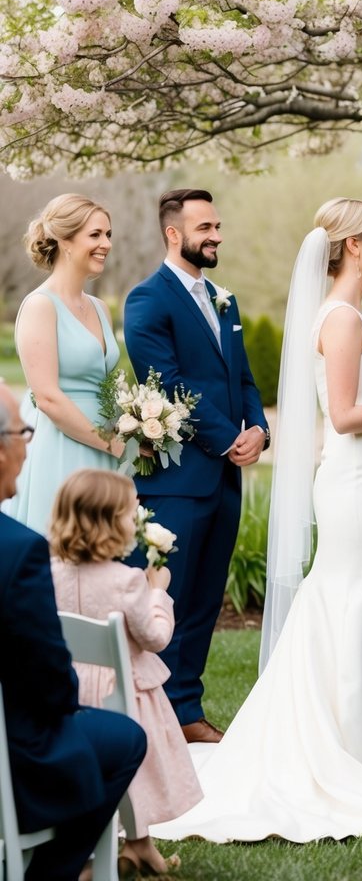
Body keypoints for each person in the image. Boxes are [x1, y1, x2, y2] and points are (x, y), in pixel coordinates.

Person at [151, 198, 362, 843]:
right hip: (355, 484)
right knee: (351, 600)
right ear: (352, 245)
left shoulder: (349, 315)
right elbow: (348, 417)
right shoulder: (343, 320)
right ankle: (348, 752)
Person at [124, 188, 269, 744]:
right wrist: (229, 437)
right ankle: (154, 717)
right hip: (177, 482)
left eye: (217, 225)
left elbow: (245, 381)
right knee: (167, 601)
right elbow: (169, 382)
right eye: (205, 227)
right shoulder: (146, 300)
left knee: (205, 599)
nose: (216, 236)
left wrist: (258, 429)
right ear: (173, 234)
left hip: (224, 478)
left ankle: (187, 710)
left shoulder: (222, 299)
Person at [0, 383, 146, 881]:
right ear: (2, 451)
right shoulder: (18, 551)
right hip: (14, 748)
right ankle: (52, 873)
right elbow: (49, 680)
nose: (28, 442)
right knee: (124, 737)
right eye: (24, 430)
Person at [49, 467, 202, 876]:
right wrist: (159, 591)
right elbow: (155, 638)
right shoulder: (128, 581)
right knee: (138, 766)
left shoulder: (51, 573)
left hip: (75, 691)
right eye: (130, 512)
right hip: (125, 693)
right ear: (107, 523)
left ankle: (139, 846)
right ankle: (98, 851)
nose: (137, 517)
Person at [8, 194, 122, 534]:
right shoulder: (40, 305)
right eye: (96, 235)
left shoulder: (100, 308)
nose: (106, 244)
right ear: (66, 242)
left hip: (105, 449)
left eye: (108, 235)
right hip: (60, 446)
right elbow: (48, 398)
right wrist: (116, 445)